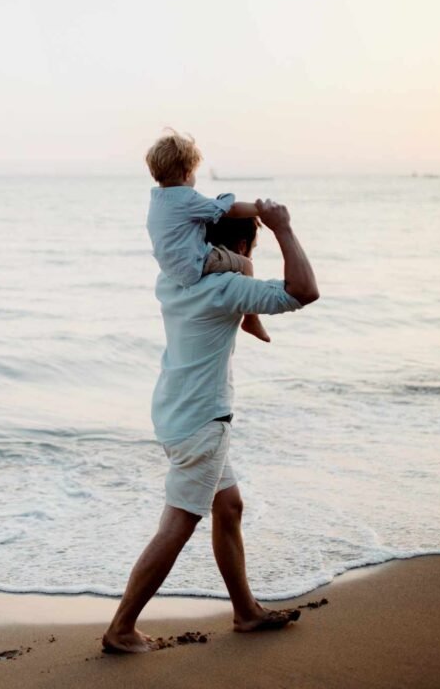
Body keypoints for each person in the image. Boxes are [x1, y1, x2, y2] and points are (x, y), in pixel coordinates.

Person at [102, 197, 319, 654]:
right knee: (178, 524)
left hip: (175, 411)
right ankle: (121, 628)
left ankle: (246, 612)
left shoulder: (173, 279)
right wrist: (283, 227)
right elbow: (304, 290)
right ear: (240, 247)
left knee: (229, 506)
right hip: (203, 422)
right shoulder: (224, 288)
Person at [145, 128, 271, 342]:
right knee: (245, 265)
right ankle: (251, 319)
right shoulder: (187, 198)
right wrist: (261, 209)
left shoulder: (157, 200)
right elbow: (230, 210)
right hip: (193, 266)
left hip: (169, 268)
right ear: (187, 174)